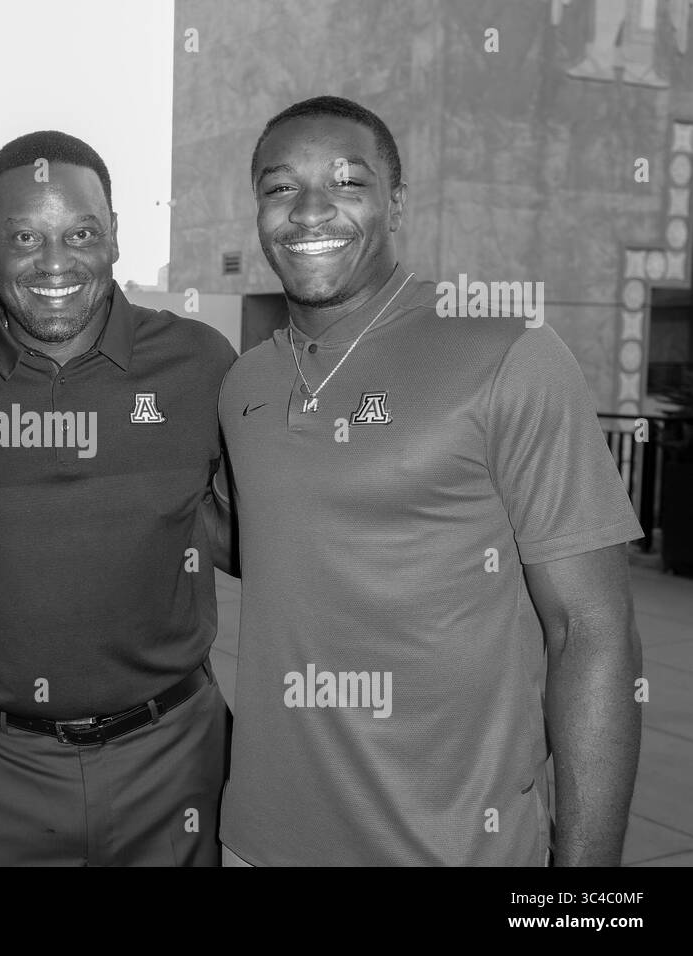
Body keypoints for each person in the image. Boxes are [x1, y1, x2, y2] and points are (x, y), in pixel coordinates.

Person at [216, 95, 644, 866]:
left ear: (397, 203)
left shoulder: (507, 351)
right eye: (281, 188)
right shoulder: (244, 381)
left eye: (348, 184)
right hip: (259, 843)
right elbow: (267, 546)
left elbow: (590, 631)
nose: (309, 211)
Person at [0, 130, 238, 866]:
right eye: (24, 236)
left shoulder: (201, 365)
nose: (55, 262)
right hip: (0, 770)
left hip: (174, 759)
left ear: (115, 237)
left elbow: (254, 533)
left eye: (81, 232)